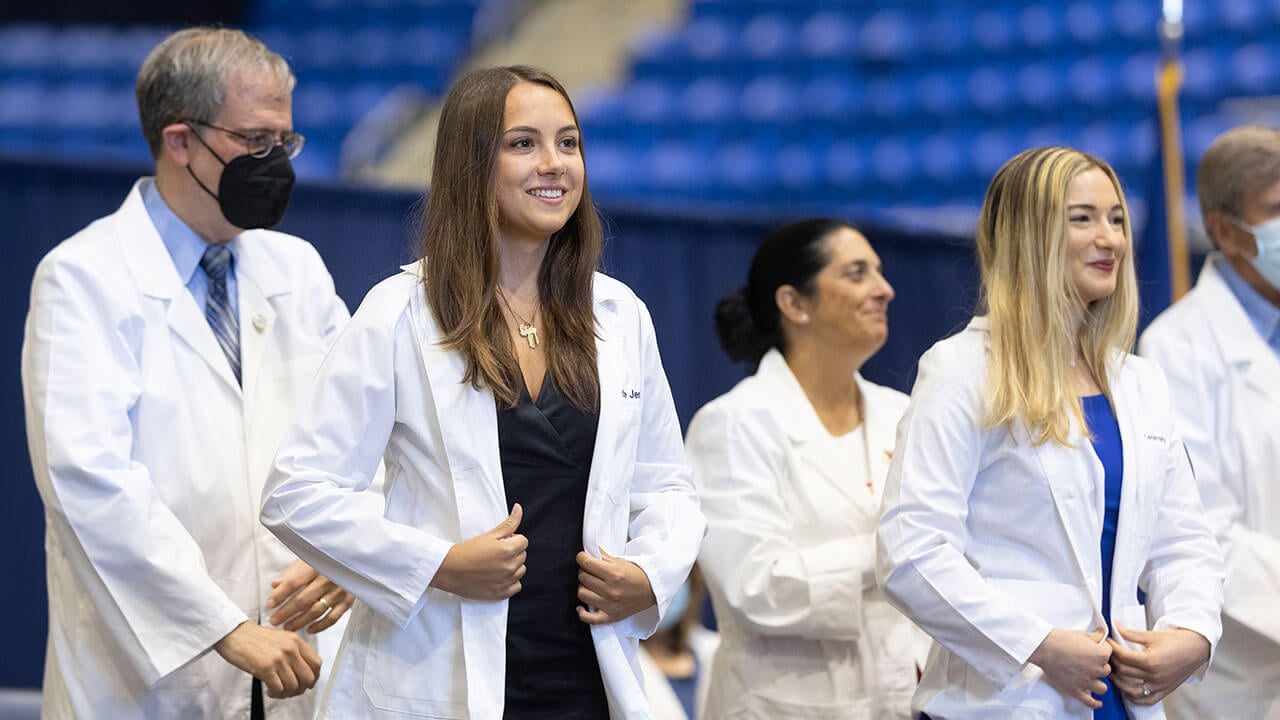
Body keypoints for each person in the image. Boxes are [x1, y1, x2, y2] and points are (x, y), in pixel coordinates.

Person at [258, 65, 705, 719]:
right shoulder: (400, 312)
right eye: (523, 143)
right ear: (473, 163)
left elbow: (668, 488)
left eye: (569, 143)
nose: (553, 164)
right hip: (437, 682)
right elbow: (296, 493)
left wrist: (650, 575)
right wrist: (437, 564)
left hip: (585, 683)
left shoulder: (621, 315)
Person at [21, 27, 354, 719]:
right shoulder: (85, 278)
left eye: (284, 143)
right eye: (255, 141)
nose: (276, 162)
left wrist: (350, 555)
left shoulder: (296, 271)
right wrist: (223, 627)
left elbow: (361, 436)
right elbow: (89, 483)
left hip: (299, 664)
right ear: (180, 141)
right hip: (150, 682)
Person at [877, 147, 1225, 719]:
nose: (1110, 239)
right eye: (1082, 218)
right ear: (1028, 233)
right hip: (1008, 699)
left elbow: (1183, 543)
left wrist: (1191, 633)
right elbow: (911, 553)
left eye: (1116, 218)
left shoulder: (1140, 382)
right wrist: (1037, 643)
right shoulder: (963, 370)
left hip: (1124, 700)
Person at [685, 218, 928, 719]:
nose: (885, 290)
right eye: (857, 273)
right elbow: (755, 587)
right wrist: (896, 549)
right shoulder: (734, 424)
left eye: (879, 272)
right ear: (794, 303)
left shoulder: (903, 412)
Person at [1139, 125, 1280, 720]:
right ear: (1226, 230)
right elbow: (1200, 529)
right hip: (1237, 679)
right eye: (1276, 210)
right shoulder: (1176, 348)